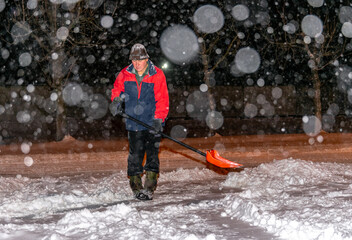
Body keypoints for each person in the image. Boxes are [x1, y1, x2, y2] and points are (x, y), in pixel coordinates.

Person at [109, 43, 169, 201]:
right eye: (134, 60)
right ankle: (136, 186)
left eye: (140, 60)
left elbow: (162, 99)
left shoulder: (157, 74)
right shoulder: (125, 73)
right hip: (134, 122)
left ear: (146, 59)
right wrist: (115, 100)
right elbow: (117, 89)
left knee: (152, 154)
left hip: (152, 121)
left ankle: (150, 187)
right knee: (135, 155)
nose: (137, 63)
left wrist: (159, 119)